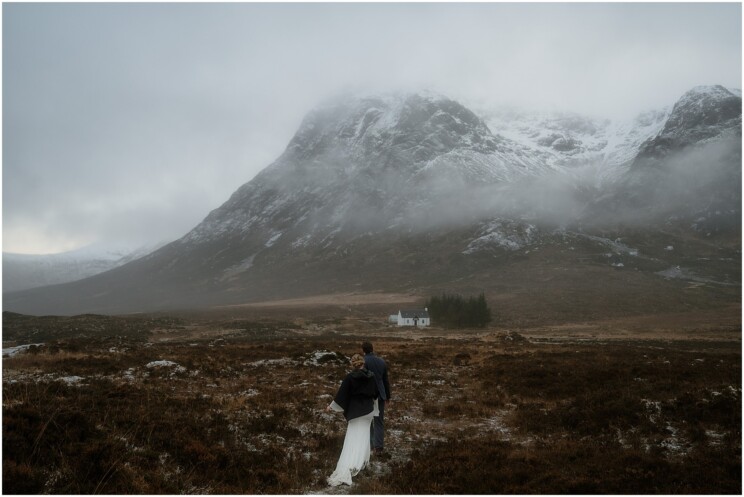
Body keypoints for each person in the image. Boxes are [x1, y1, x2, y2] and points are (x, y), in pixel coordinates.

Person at [326, 353, 380, 487]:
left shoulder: (350, 378)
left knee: (352, 439)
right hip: (368, 411)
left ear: (353, 364)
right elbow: (376, 394)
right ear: (363, 363)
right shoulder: (372, 376)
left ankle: (351, 464)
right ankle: (361, 463)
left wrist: (330, 407)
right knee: (363, 437)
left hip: (356, 413)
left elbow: (341, 395)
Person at [362, 341, 391, 455]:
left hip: (368, 396)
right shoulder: (381, 361)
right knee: (379, 421)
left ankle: (371, 445)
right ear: (372, 349)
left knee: (368, 420)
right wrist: (387, 396)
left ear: (363, 350)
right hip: (381, 395)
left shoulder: (364, 362)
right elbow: (385, 381)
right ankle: (378, 448)